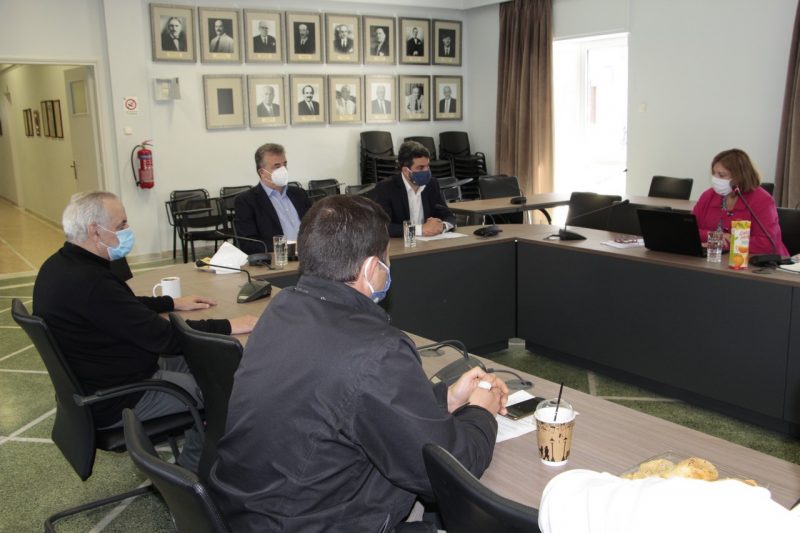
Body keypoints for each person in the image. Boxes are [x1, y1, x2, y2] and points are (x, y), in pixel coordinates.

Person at [210, 195, 507, 531]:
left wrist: (446, 398)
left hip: (247, 513)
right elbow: (445, 472)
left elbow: (350, 403)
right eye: (386, 260)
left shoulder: (281, 310)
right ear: (370, 269)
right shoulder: (378, 349)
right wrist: (481, 411)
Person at [33, 191, 257, 471]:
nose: (128, 230)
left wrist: (170, 302)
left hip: (106, 376)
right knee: (223, 391)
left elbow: (120, 305)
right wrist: (229, 325)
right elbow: (167, 338)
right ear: (94, 231)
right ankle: (190, 475)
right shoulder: (90, 282)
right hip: (121, 396)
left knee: (212, 364)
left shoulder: (62, 266)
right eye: (121, 224)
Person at [692, 149, 788, 256]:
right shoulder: (708, 196)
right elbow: (690, 230)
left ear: (739, 177)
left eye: (721, 175)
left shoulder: (762, 200)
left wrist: (728, 243)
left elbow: (767, 243)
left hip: (759, 262)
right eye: (714, 174)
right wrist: (715, 236)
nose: (715, 179)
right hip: (715, 260)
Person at [234, 143, 312, 253]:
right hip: (278, 258)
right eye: (277, 166)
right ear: (262, 172)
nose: (283, 170)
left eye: (285, 165)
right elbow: (249, 244)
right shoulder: (246, 201)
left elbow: (315, 226)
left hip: (310, 256)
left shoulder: (299, 194)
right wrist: (290, 247)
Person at [375, 140, 456, 237]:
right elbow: (383, 227)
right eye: (420, 168)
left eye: (427, 166)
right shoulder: (386, 188)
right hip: (400, 244)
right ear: (406, 171)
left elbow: (449, 216)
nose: (426, 171)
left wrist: (442, 226)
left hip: (428, 242)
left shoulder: (431, 184)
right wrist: (420, 229)